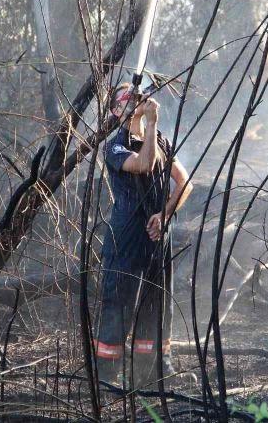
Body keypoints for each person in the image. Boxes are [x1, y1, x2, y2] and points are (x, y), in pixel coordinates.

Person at [94, 82, 193, 387]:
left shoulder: (159, 139)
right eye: (127, 98)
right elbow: (144, 164)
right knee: (119, 302)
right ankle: (107, 377)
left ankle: (150, 374)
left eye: (137, 96)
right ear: (116, 110)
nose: (136, 100)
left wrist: (165, 214)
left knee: (156, 302)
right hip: (126, 235)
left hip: (157, 235)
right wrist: (150, 123)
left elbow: (185, 183)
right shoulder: (115, 146)